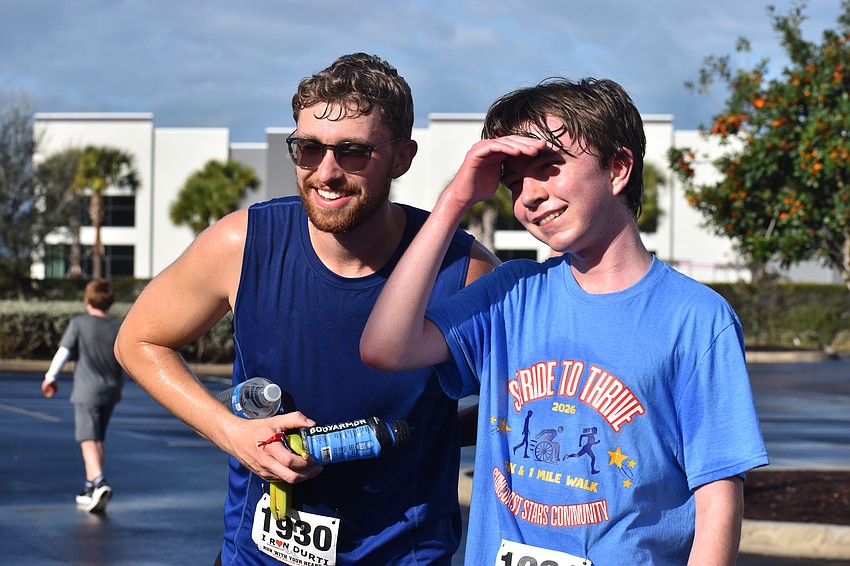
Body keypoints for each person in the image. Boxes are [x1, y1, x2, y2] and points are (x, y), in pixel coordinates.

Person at [361, 77, 770, 564]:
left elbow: (719, 496)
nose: (529, 197)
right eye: (514, 184)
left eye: (549, 169)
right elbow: (385, 346)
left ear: (618, 168)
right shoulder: (510, 293)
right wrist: (455, 201)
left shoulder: (697, 319)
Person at [114, 52, 499, 565]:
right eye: (308, 149)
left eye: (354, 152)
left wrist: (425, 432)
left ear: (403, 157)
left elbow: (521, 398)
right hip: (258, 555)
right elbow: (138, 341)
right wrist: (232, 433)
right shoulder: (242, 243)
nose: (327, 172)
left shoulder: (464, 270)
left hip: (405, 556)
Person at [42, 278, 125, 513]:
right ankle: (90, 486)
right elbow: (123, 361)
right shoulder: (117, 327)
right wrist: (119, 388)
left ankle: (99, 481)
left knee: (87, 438)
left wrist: (50, 377)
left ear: (87, 300)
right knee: (98, 437)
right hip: (110, 390)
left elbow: (64, 352)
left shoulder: (79, 323)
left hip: (86, 390)